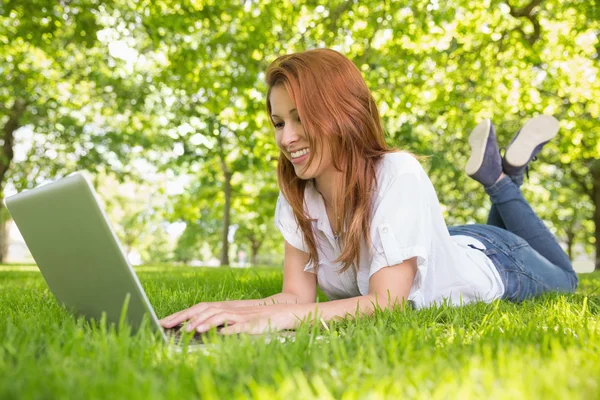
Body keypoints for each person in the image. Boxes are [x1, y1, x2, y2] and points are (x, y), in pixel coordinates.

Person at [159, 48, 578, 335]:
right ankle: (510, 172)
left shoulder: (398, 174)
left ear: (341, 115)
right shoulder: (297, 192)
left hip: (497, 263)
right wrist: (227, 311)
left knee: (569, 279)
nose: (287, 138)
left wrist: (280, 320)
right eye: (278, 122)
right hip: (450, 242)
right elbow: (295, 296)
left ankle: (500, 181)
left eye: (300, 118)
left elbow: (385, 302)